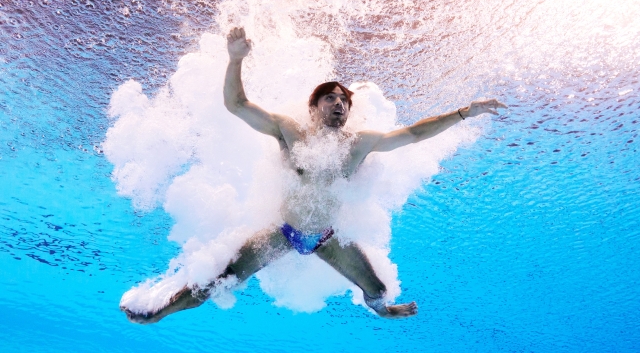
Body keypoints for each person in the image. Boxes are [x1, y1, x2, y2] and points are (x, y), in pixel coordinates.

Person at [122, 27, 507, 323]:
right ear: (315, 106)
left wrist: (463, 113)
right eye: (330, 97)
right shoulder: (290, 132)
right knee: (216, 281)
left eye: (344, 99)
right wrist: (235, 58)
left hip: (328, 238)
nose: (339, 103)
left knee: (377, 291)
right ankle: (157, 312)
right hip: (282, 233)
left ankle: (381, 312)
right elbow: (236, 104)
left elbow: (414, 134)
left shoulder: (359, 143)